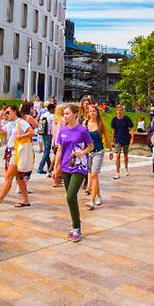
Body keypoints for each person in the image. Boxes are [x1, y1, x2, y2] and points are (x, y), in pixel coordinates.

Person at [51, 103, 92, 241]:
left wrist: (82, 152)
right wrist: (56, 168)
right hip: (65, 167)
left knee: (70, 196)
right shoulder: (62, 131)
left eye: (67, 113)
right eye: (64, 114)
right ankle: (76, 227)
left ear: (75, 115)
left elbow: (91, 146)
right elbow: (59, 151)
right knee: (71, 198)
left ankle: (76, 227)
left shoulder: (83, 130)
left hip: (79, 166)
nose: (65, 116)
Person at [0, 105, 33, 210]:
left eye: (8, 112)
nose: (6, 114)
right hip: (10, 152)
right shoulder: (10, 124)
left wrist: (21, 136)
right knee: (19, 178)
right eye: (5, 112)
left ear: (14, 112)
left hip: (16, 152)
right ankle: (25, 200)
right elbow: (0, 131)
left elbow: (31, 132)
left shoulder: (21, 122)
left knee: (8, 177)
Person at [83, 105, 110, 209]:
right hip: (88, 152)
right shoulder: (85, 123)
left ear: (97, 113)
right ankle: (98, 195)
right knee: (94, 176)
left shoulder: (101, 124)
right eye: (90, 111)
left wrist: (111, 151)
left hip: (98, 152)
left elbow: (107, 138)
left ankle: (92, 200)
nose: (92, 113)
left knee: (94, 174)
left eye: (94, 111)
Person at [109, 104, 135, 179]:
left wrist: (132, 138)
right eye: (118, 110)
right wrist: (112, 140)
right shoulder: (114, 120)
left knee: (125, 154)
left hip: (126, 138)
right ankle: (117, 172)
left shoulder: (127, 119)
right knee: (117, 155)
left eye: (120, 110)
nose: (119, 111)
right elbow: (113, 131)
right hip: (118, 139)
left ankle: (126, 168)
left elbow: (132, 128)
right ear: (116, 111)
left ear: (122, 111)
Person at [36, 103, 55, 175]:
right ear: (51, 109)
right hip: (49, 134)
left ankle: (49, 166)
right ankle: (40, 168)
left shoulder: (43, 115)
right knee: (46, 152)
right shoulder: (52, 116)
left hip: (43, 133)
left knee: (46, 151)